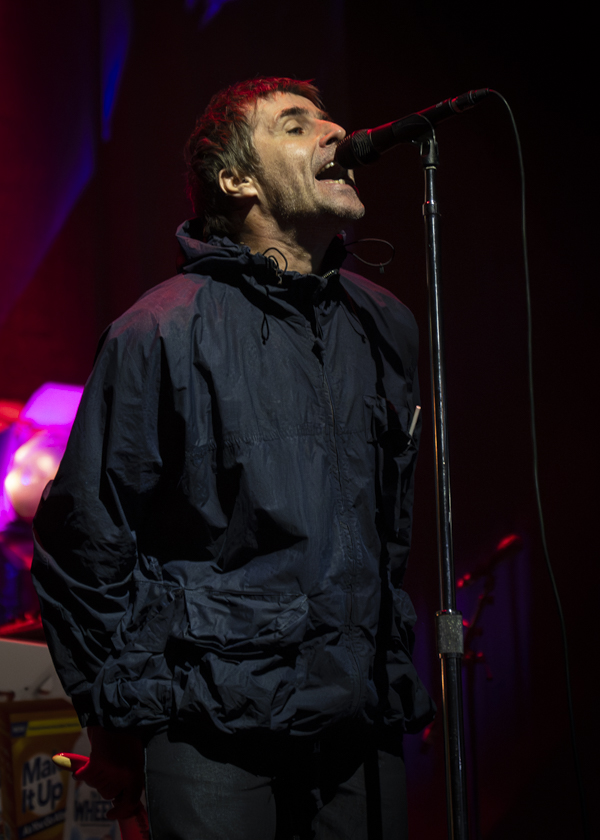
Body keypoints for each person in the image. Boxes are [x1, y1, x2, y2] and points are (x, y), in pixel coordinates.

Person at [31, 77, 435, 839]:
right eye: (294, 124)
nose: (334, 130)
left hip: (359, 718)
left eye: (325, 115)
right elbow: (84, 540)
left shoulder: (387, 324)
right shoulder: (158, 332)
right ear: (236, 179)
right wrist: (119, 725)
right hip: (211, 728)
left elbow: (391, 532)